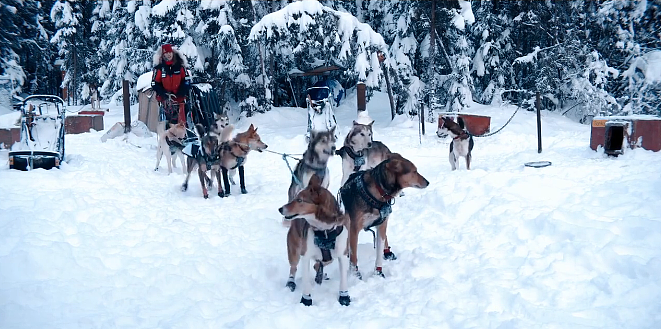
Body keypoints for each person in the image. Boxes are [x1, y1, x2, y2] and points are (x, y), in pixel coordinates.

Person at [151, 44, 190, 129]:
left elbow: (186, 80)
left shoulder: (180, 66)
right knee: (169, 120)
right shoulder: (159, 68)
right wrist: (162, 93)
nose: (168, 54)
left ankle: (182, 134)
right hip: (166, 99)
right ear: (163, 55)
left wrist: (182, 91)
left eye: (170, 52)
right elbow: (154, 83)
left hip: (179, 98)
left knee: (181, 119)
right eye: (166, 53)